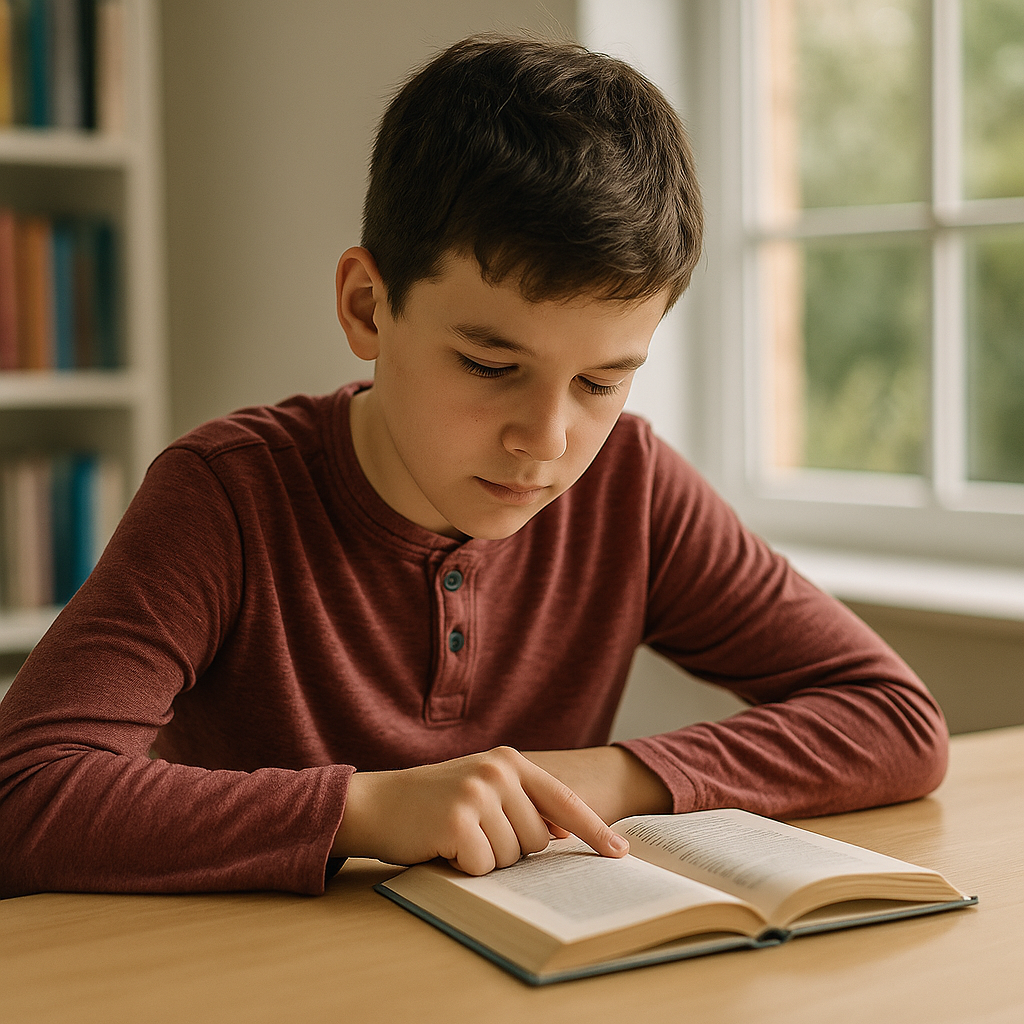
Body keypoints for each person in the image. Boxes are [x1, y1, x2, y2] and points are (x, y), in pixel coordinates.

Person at [0, 35, 946, 898]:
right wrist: (361, 810)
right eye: (493, 367)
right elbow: (26, 792)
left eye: (603, 382)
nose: (546, 439)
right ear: (370, 308)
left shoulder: (632, 487)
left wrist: (603, 774)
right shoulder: (228, 495)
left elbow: (895, 720)